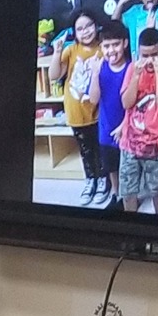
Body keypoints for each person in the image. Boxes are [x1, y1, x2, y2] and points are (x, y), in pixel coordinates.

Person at [46, 12, 109, 204]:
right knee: (85, 150)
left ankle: (103, 180)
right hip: (76, 113)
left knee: (100, 149)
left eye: (89, 26)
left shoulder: (104, 48)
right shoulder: (71, 50)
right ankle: (91, 180)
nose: (85, 31)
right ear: (74, 32)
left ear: (96, 26)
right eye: (80, 28)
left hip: (99, 112)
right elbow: (54, 75)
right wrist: (57, 52)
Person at [117, 26, 158, 215]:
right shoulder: (133, 68)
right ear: (137, 53)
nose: (150, 60)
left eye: (154, 55)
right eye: (145, 55)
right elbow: (126, 103)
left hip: (156, 143)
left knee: (156, 189)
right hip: (130, 142)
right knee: (128, 190)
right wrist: (136, 76)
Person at [91, 30, 132, 211]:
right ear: (101, 47)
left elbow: (136, 102)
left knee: (128, 166)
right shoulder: (100, 68)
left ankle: (129, 196)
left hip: (129, 127)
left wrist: (125, 125)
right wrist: (94, 75)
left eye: (115, 44)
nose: (111, 50)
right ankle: (116, 194)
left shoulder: (132, 68)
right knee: (112, 166)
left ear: (124, 43)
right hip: (106, 129)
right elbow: (93, 99)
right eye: (106, 46)